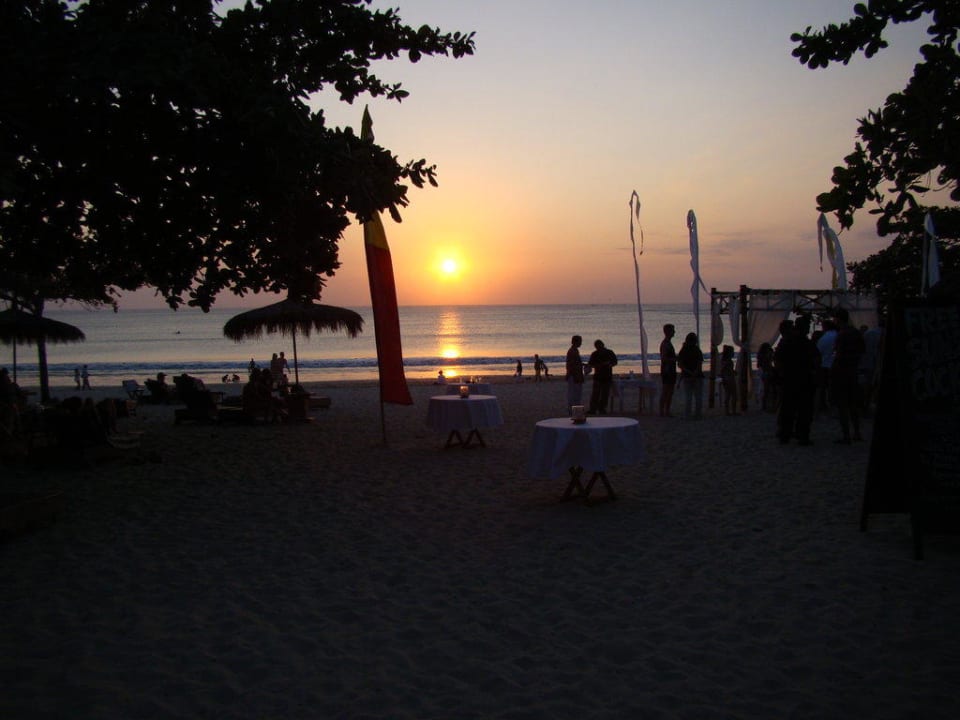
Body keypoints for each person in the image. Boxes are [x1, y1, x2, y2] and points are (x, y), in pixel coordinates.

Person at [774, 317, 818, 445]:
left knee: (789, 408)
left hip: (790, 379)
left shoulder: (787, 341)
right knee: (803, 410)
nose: (808, 329)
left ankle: (785, 434)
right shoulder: (805, 342)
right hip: (802, 379)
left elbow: (778, 359)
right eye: (807, 326)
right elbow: (815, 359)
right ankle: (801, 435)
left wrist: (781, 374)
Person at [831, 307, 865, 444]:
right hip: (853, 370)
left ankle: (846, 435)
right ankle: (857, 432)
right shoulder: (856, 332)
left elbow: (838, 354)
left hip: (842, 372)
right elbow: (862, 350)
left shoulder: (842, 334)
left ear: (838, 319)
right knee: (853, 405)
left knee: (842, 405)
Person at [677, 332, 704, 419]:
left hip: (687, 376)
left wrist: (688, 372)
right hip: (697, 376)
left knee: (688, 397)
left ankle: (688, 414)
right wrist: (694, 373)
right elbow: (699, 364)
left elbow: (680, 365)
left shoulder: (683, 351)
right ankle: (698, 414)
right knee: (698, 396)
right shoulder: (697, 350)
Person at [587, 339, 618, 415]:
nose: (598, 348)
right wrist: (598, 365)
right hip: (598, 377)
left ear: (602, 345)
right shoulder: (595, 354)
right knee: (595, 394)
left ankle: (602, 408)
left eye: (599, 346)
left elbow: (615, 362)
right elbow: (591, 364)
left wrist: (609, 364)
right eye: (597, 347)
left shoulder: (609, 352)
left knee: (605, 394)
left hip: (607, 376)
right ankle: (593, 409)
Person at [816, 319, 838, 413]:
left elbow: (818, 352)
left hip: (824, 365)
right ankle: (831, 405)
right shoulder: (837, 335)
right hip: (834, 365)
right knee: (832, 388)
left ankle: (823, 405)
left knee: (823, 387)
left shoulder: (824, 338)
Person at [659, 324, 677, 417]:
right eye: (673, 330)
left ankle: (667, 410)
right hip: (667, 370)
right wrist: (674, 359)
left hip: (671, 370)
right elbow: (664, 358)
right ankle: (662, 411)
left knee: (670, 391)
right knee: (666, 391)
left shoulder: (668, 343)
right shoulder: (665, 344)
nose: (674, 332)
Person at [565, 335, 585, 415]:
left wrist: (581, 365)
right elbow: (571, 365)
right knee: (574, 394)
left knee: (575, 393)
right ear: (575, 342)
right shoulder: (573, 351)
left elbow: (573, 363)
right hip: (574, 375)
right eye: (580, 341)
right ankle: (574, 410)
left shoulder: (574, 350)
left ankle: (574, 410)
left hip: (575, 375)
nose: (581, 343)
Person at [756, 342, 776, 411]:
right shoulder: (765, 359)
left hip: (765, 372)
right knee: (766, 389)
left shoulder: (763, 358)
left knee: (767, 389)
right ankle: (764, 405)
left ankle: (765, 404)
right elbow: (765, 365)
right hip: (766, 373)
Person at [720, 345, 738, 415]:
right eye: (732, 352)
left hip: (726, 378)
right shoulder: (728, 361)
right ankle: (733, 411)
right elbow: (725, 370)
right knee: (733, 394)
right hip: (729, 378)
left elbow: (724, 370)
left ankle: (727, 411)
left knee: (728, 394)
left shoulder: (724, 360)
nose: (733, 353)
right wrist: (733, 372)